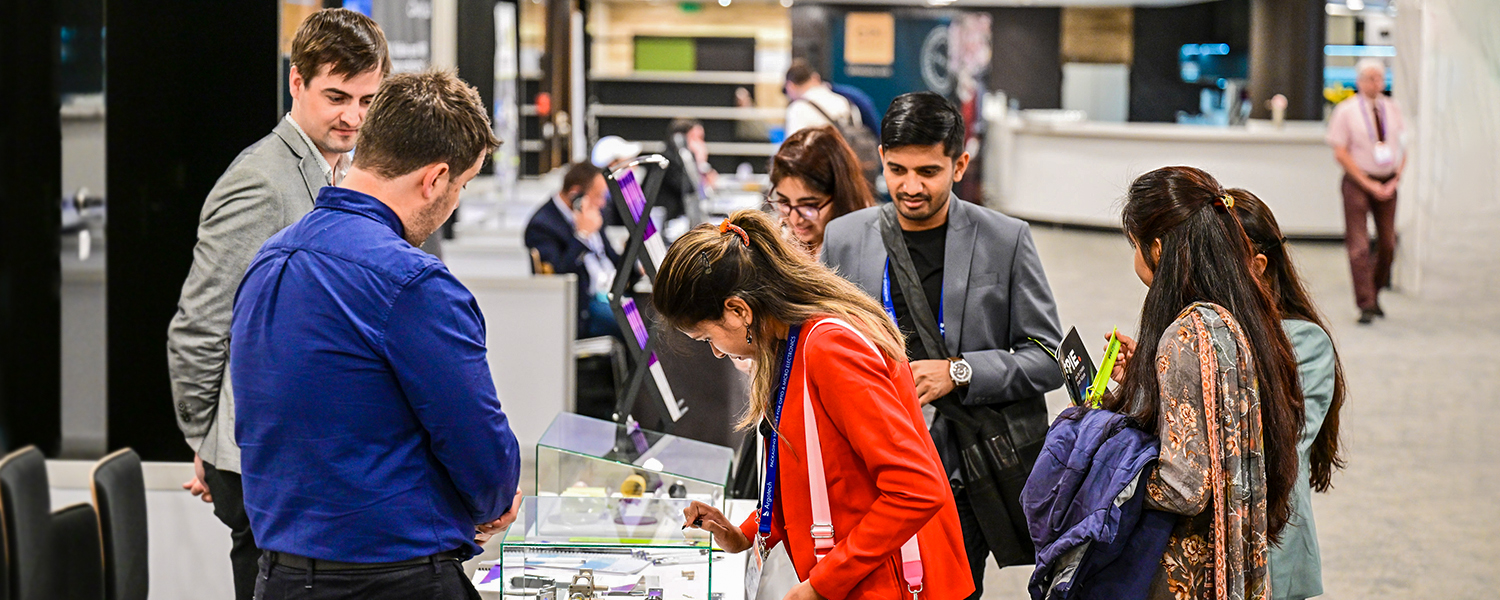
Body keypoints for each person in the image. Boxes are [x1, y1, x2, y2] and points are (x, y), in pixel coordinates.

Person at [230, 69, 519, 599]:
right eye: (461, 185)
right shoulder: (414, 284)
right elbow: (483, 456)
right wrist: (493, 501)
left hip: (279, 577)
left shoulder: (267, 263)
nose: (454, 201)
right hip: (394, 580)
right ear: (434, 179)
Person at [164, 9, 389, 598]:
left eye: (368, 101)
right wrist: (206, 441)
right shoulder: (262, 181)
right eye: (337, 96)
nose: (353, 117)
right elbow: (201, 324)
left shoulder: (332, 171)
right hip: (259, 459)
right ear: (297, 82)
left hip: (291, 453)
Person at [821, 91, 1064, 598]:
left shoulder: (1005, 238)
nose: (910, 187)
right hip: (872, 471)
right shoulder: (845, 238)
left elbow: (1048, 357)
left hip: (961, 477)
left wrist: (958, 371)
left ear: (960, 165)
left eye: (928, 171)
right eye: (897, 170)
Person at [663, 210, 973, 600]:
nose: (718, 353)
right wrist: (744, 533)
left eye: (707, 337)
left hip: (891, 581)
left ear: (739, 310)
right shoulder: (790, 343)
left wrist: (822, 585)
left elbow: (916, 488)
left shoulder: (828, 347)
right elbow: (811, 473)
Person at [1105, 166, 1304, 600]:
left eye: (1134, 245)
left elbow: (1182, 488)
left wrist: (1108, 474)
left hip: (1186, 574)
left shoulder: (1184, 335)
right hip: (1234, 561)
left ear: (1156, 249)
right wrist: (1150, 376)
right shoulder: (1238, 316)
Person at [1229, 188, 1348, 600]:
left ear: (1258, 266)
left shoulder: (1305, 343)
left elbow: (1281, 444)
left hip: (1272, 546)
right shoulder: (1200, 331)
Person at [1326, 58, 1406, 324]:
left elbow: (1404, 147)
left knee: (1388, 244)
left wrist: (1396, 179)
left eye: (1379, 78)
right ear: (1359, 81)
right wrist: (1366, 182)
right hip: (1357, 183)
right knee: (1359, 246)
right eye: (1370, 78)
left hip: (1388, 182)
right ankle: (1366, 303)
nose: (1376, 83)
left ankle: (1374, 289)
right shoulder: (1346, 111)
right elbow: (1340, 152)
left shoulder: (1393, 109)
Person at [525, 161, 626, 339]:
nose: (602, 203)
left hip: (611, 294)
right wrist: (582, 236)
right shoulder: (542, 226)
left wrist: (637, 266)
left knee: (656, 317)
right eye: (598, 196)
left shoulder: (592, 213)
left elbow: (610, 256)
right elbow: (559, 276)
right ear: (575, 195)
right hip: (585, 308)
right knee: (639, 328)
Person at [768, 125, 875, 259]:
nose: (795, 220)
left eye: (809, 206)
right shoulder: (780, 245)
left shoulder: (866, 252)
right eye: (784, 202)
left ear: (841, 197)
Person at [783, 59, 881, 137]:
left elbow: (793, 151)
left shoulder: (798, 109)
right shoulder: (845, 101)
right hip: (849, 160)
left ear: (790, 86)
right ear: (815, 78)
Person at [659, 118, 717, 223]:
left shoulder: (687, 159)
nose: (701, 144)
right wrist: (699, 164)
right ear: (679, 139)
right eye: (696, 138)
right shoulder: (667, 161)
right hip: (672, 222)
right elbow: (689, 190)